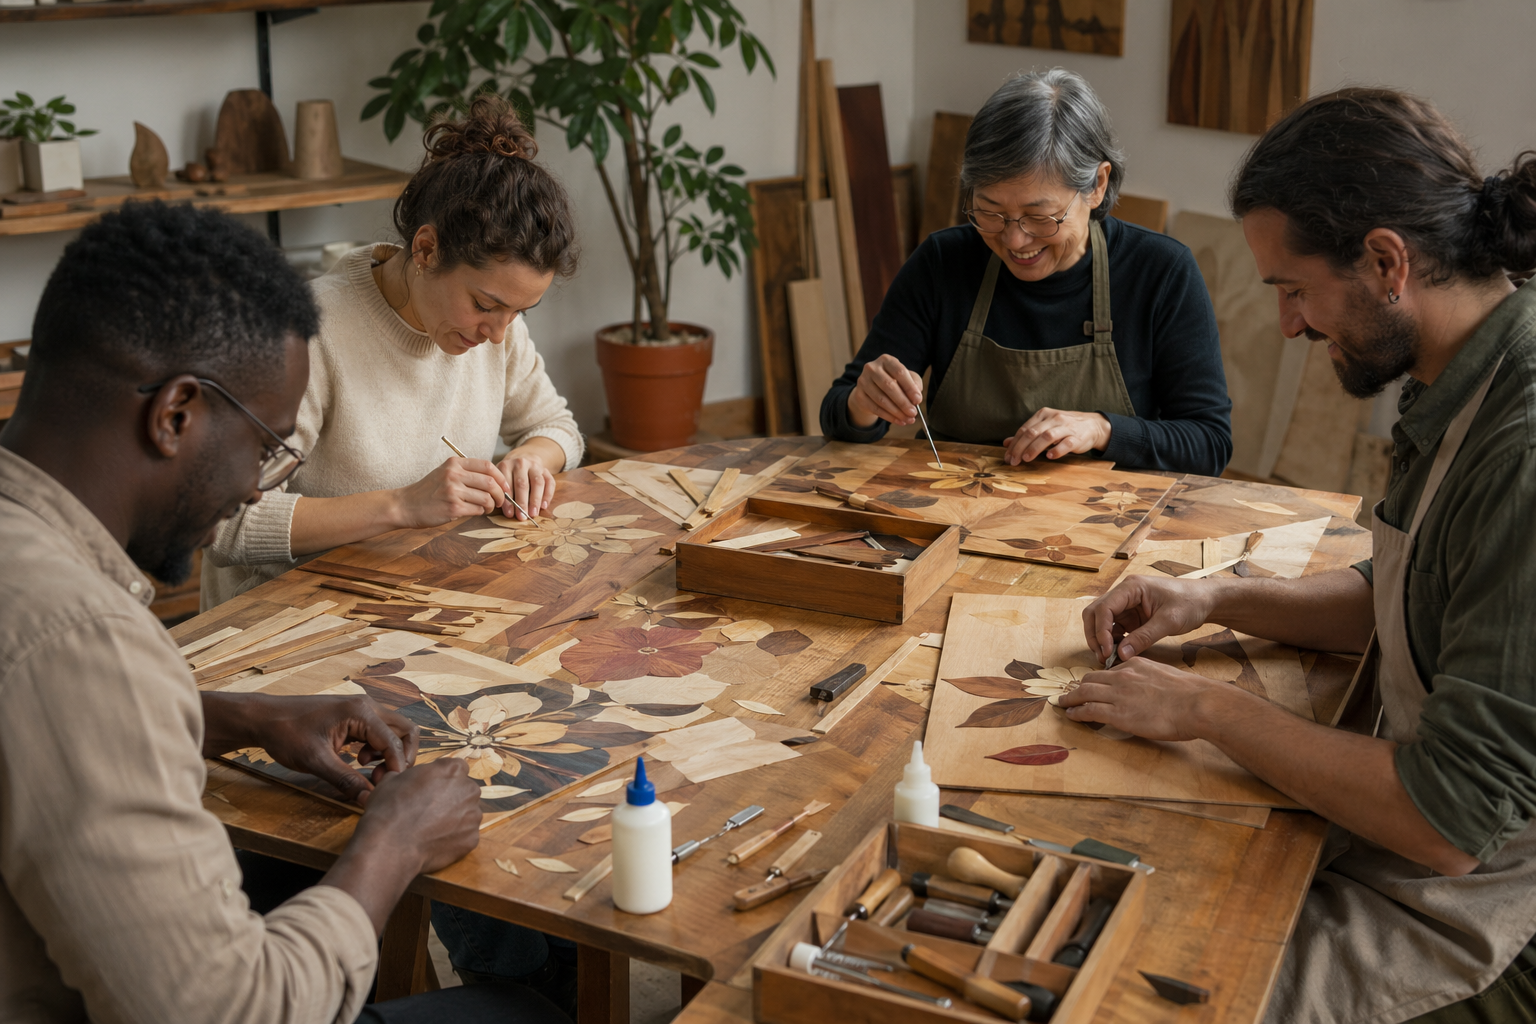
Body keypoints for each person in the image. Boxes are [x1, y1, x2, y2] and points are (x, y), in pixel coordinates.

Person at [0, 201, 569, 1023]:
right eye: (267, 448)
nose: (253, 488)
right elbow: (232, 1011)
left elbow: (55, 718)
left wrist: (241, 717)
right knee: (528, 1016)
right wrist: (394, 846)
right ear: (175, 415)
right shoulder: (80, 639)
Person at [1070, 89, 1536, 1023]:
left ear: (1386, 263)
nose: (1288, 325)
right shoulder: (1461, 373)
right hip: (1424, 846)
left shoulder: (1521, 447)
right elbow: (1406, 594)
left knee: (1137, 995)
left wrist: (1207, 709)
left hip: (1486, 914)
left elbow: (1449, 823)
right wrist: (1215, 599)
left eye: (1294, 290)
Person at [203, 94, 583, 609]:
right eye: (484, 304)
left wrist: (529, 460)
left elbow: (557, 428)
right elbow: (224, 522)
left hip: (415, 595)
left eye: (520, 311)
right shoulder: (304, 332)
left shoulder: (498, 326)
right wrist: (402, 506)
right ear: (426, 250)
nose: (498, 334)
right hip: (286, 616)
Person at [820, 68, 1231, 475]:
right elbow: (838, 413)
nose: (1015, 241)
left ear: (1097, 186)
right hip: (951, 504)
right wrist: (863, 402)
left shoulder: (1160, 273)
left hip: (1106, 515)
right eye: (990, 212)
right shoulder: (943, 263)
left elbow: (1209, 443)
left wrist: (1103, 429)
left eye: (1040, 217)